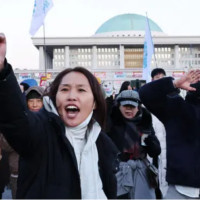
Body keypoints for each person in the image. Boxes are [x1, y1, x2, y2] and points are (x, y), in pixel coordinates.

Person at [0, 33, 118, 199]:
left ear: (95, 102)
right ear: (55, 98)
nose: (71, 96)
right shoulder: (41, 133)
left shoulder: (103, 144)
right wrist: (2, 72)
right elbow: (16, 119)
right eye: (64, 89)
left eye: (81, 90)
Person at [139, 69, 200, 199]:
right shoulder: (178, 108)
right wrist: (175, 83)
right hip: (181, 189)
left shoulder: (177, 108)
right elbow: (144, 93)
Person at [107, 90, 161, 199]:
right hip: (118, 171)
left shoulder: (145, 123)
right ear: (118, 106)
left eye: (132, 106)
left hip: (141, 171)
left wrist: (150, 141)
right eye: (125, 106)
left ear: (138, 107)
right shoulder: (110, 124)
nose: (129, 109)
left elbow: (156, 151)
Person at [151, 68, 168, 197]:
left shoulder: (172, 100)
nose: (160, 81)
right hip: (152, 152)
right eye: (157, 78)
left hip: (168, 151)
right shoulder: (147, 102)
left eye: (162, 78)